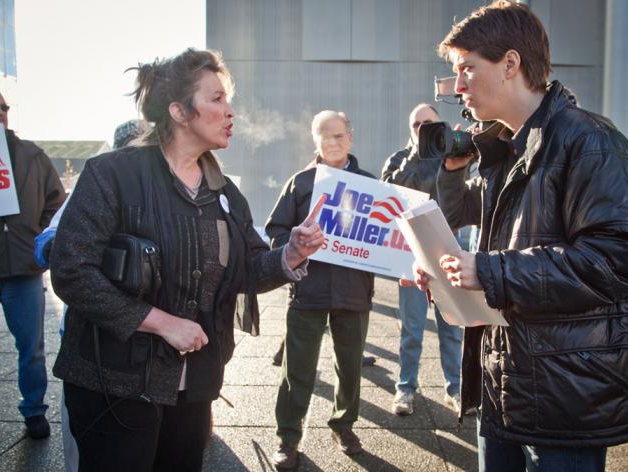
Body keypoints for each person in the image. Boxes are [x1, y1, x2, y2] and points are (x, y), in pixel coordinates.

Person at [49, 48, 325, 472]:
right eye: (216, 99)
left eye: (227, 99)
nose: (229, 111)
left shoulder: (225, 192)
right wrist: (161, 322)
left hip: (194, 385)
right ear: (179, 111)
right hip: (114, 384)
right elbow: (71, 272)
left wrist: (290, 253)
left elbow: (248, 270)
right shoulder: (113, 174)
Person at [411, 2, 628, 471]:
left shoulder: (592, 142)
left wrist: (489, 269)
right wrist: (447, 275)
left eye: (467, 69)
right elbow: (485, 242)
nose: (458, 86)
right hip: (506, 382)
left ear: (510, 64)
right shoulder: (503, 148)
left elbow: (617, 261)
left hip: (567, 395)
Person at [33, 119, 150, 472]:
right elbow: (45, 242)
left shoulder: (168, 188)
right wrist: (64, 248)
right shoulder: (96, 185)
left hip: (149, 344)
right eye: (134, 151)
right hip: (92, 342)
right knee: (88, 444)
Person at [268, 110, 374, 470]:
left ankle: (343, 425)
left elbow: (388, 240)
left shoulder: (369, 185)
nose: (332, 142)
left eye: (338, 136)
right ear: (315, 140)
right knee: (297, 369)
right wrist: (295, 243)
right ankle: (287, 438)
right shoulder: (299, 183)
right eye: (325, 136)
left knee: (350, 367)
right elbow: (276, 233)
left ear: (351, 137)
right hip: (307, 290)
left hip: (354, 292)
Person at [0, 83, 65, 441]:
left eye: (3, 106)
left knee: (32, 349)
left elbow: (56, 202)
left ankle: (34, 411)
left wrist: (37, 237)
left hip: (25, 271)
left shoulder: (31, 155)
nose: (0, 112)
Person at [381, 103, 464, 416]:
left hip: (448, 252)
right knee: (411, 329)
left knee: (451, 328)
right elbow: (393, 195)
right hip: (411, 254)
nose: (422, 128)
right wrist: (417, 152)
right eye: (416, 124)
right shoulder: (400, 159)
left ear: (439, 123)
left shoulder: (451, 155)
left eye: (428, 123)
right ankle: (405, 389)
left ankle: (455, 388)